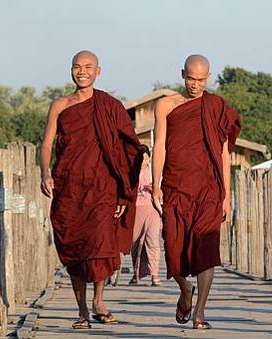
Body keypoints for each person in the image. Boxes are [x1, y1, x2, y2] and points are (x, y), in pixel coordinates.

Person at [40, 50, 142, 329]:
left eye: (88, 67)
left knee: (99, 244)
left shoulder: (110, 106)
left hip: (102, 187)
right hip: (70, 186)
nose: (82, 71)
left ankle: (98, 300)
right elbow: (47, 143)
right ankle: (82, 310)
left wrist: (123, 191)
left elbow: (128, 148)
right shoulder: (60, 105)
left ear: (99, 71)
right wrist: (45, 172)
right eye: (76, 66)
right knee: (75, 248)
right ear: (70, 70)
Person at [152, 54, 241, 330]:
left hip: (208, 189)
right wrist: (156, 184)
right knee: (173, 249)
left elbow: (223, 154)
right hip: (176, 186)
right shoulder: (166, 105)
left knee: (206, 249)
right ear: (182, 74)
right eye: (191, 78)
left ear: (208, 77)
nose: (196, 85)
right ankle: (184, 290)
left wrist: (226, 195)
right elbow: (160, 147)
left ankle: (200, 311)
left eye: (201, 80)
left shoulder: (216, 107)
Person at [129, 145, 163, 286]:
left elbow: (161, 191)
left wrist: (154, 187)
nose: (143, 162)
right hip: (136, 209)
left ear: (149, 159)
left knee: (152, 241)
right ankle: (136, 273)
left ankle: (154, 274)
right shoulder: (132, 173)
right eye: (140, 159)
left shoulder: (153, 172)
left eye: (145, 159)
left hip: (152, 209)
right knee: (135, 243)